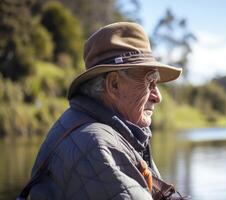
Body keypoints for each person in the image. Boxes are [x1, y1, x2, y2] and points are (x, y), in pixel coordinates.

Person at [22, 22, 183, 199]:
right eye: (149, 82)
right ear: (114, 85)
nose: (157, 96)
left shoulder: (99, 129)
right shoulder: (98, 145)